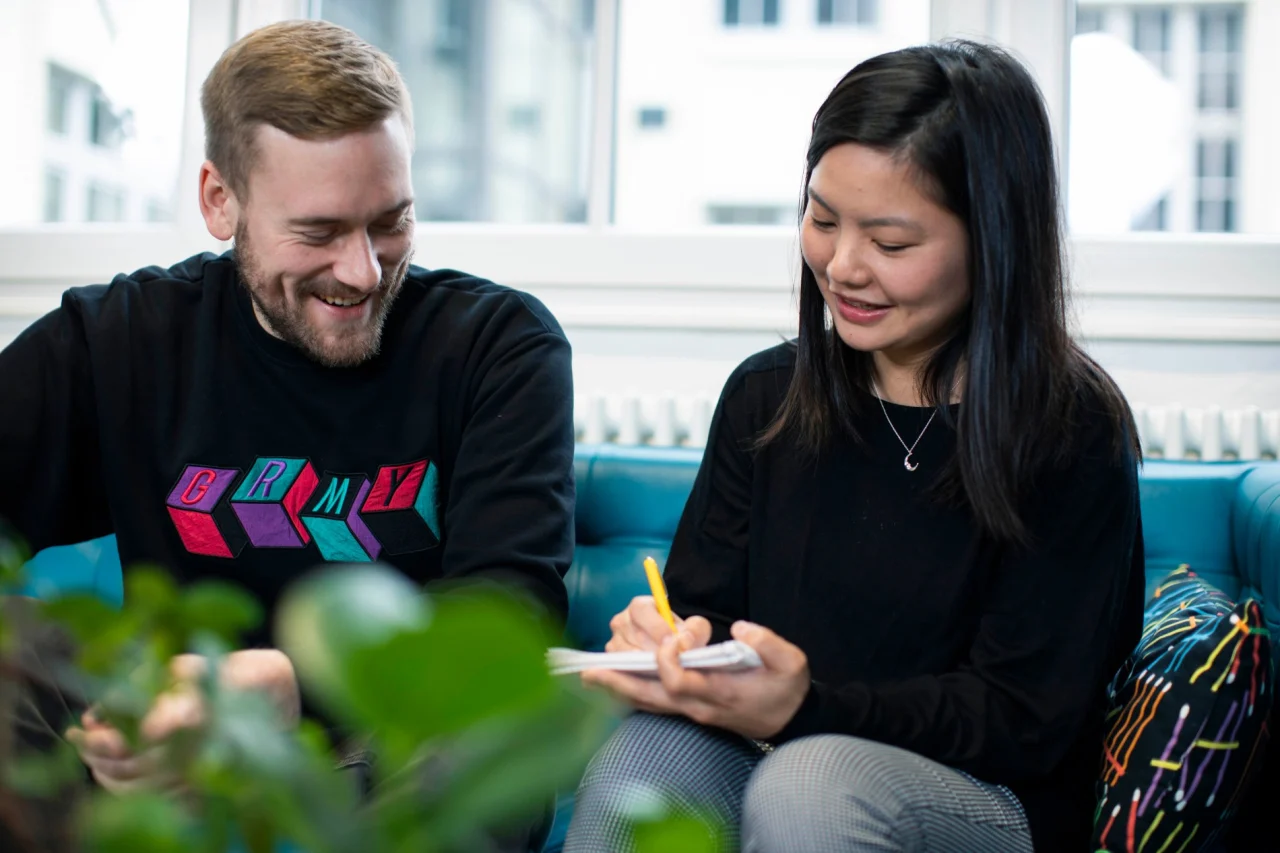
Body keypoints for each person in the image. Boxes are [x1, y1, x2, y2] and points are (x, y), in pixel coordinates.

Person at [0, 20, 573, 850]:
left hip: (388, 749)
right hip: (168, 740)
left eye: (390, 221)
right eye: (319, 232)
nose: (363, 271)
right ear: (219, 199)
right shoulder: (119, 340)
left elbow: (507, 613)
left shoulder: (497, 346)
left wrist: (292, 681)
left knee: (483, 731)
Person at [564, 40, 1144, 853]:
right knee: (644, 765)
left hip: (990, 793)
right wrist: (668, 648)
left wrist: (806, 711)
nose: (840, 266)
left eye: (891, 243)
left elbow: (1023, 720)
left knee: (813, 785)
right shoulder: (766, 397)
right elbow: (711, 614)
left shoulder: (1071, 430)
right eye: (822, 219)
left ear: (995, 239)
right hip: (783, 750)